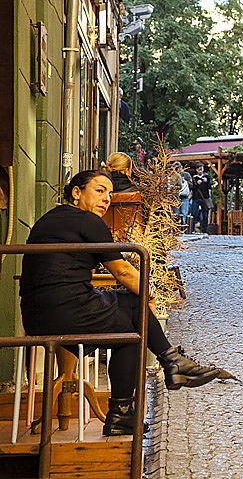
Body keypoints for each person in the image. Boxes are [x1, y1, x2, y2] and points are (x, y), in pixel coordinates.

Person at [20, 170, 219, 436]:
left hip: (35, 317)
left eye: (110, 193)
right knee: (136, 308)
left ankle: (132, 408)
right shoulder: (87, 222)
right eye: (99, 190)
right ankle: (169, 364)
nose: (107, 199)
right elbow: (123, 271)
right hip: (67, 311)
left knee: (128, 333)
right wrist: (149, 294)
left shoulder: (49, 219)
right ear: (76, 193)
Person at [191, 163, 211, 234]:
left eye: (201, 168)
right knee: (193, 213)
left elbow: (209, 187)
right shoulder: (194, 178)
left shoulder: (207, 177)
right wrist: (197, 184)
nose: (200, 170)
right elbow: (193, 188)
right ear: (196, 170)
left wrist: (206, 181)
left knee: (205, 215)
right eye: (199, 169)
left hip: (205, 198)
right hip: (196, 198)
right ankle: (192, 229)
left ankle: (204, 230)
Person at [173, 162, 191, 231]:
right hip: (176, 196)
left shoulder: (186, 175)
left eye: (179, 167)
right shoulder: (173, 176)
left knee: (184, 214)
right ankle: (177, 229)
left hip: (184, 197)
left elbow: (192, 185)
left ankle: (183, 229)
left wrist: (185, 182)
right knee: (176, 214)